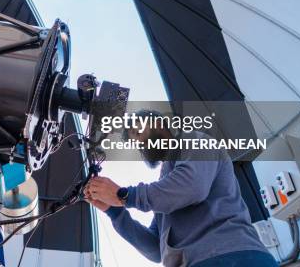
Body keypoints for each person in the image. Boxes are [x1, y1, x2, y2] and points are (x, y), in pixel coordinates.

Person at [85, 110, 277, 267]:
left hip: (232, 256)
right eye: (134, 140)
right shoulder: (166, 187)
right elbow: (156, 249)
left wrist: (123, 195)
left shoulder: (195, 140)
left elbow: (192, 186)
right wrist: (115, 212)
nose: (138, 141)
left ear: (158, 124)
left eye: (138, 131)